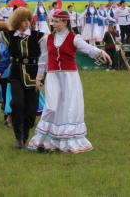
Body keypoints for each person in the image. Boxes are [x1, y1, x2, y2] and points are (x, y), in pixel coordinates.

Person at [28, 10, 111, 153]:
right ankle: (44, 140)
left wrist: (99, 52)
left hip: (70, 77)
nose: (53, 24)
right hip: (53, 76)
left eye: (56, 21)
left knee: (69, 107)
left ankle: (66, 141)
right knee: (51, 106)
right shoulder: (47, 39)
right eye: (53, 21)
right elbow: (43, 60)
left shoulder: (74, 37)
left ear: (65, 22)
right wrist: (39, 78)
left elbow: (87, 48)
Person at [0, 0, 46, 149]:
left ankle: (25, 134)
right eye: (23, 20)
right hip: (15, 75)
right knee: (17, 104)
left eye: (28, 20)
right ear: (17, 22)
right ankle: (18, 138)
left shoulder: (39, 36)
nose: (26, 23)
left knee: (31, 110)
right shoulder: (9, 36)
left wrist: (41, 78)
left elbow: (45, 58)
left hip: (33, 77)